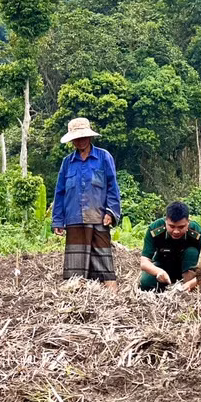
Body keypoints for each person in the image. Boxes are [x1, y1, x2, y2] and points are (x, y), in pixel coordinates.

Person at [53, 117, 122, 291]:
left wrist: (111, 212)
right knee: (75, 267)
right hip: (74, 218)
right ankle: (77, 300)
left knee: (104, 263)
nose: (80, 141)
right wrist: (57, 220)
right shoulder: (67, 162)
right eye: (76, 138)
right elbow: (60, 193)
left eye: (83, 137)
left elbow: (113, 187)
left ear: (89, 137)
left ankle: (113, 298)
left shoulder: (103, 157)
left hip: (98, 217)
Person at [139, 202, 201, 292]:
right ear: (165, 221)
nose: (176, 231)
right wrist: (158, 272)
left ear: (188, 223)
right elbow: (144, 262)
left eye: (181, 227)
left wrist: (191, 284)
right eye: (171, 226)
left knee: (191, 252)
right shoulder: (155, 229)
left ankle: (189, 290)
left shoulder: (197, 232)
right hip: (164, 267)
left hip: (188, 269)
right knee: (145, 283)